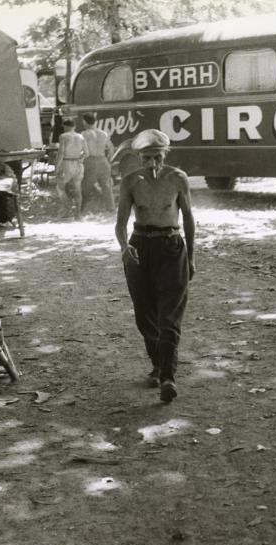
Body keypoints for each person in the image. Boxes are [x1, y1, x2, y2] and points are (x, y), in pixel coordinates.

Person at [115, 129, 196, 403]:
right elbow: (120, 223)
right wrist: (125, 247)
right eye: (147, 158)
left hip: (172, 246)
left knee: (169, 317)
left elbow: (188, 219)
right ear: (139, 157)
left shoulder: (177, 178)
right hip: (140, 246)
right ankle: (158, 364)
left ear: (166, 154)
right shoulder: (129, 182)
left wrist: (192, 257)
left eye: (158, 157)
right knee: (144, 313)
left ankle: (168, 378)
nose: (153, 163)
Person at [81, 112, 115, 213]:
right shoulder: (104, 134)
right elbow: (111, 148)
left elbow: (83, 150)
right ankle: (111, 209)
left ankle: (81, 209)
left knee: (86, 186)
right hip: (103, 160)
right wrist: (108, 159)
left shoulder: (84, 134)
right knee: (107, 187)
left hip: (91, 160)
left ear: (84, 122)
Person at [55, 119, 88, 219]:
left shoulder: (63, 136)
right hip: (78, 164)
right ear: (74, 126)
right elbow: (87, 153)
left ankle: (67, 210)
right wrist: (80, 159)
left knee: (60, 187)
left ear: (65, 126)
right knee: (78, 189)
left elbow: (61, 153)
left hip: (67, 163)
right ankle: (78, 214)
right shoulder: (81, 136)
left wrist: (57, 167)